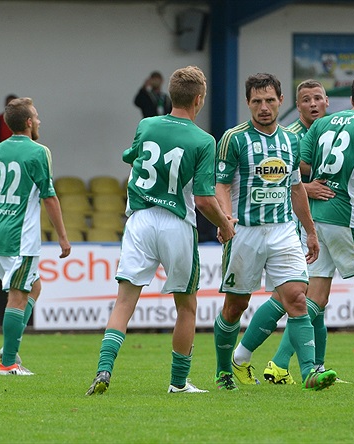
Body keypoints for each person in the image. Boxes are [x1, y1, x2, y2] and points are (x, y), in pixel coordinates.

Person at [85, 66, 236, 395]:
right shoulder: (203, 140)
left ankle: (104, 369)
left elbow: (131, 156)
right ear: (199, 99)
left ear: (170, 95)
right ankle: (178, 384)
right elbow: (204, 199)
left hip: (139, 220)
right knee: (186, 306)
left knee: (124, 302)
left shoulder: (147, 124)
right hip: (175, 223)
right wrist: (226, 224)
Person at [261, 70, 354, 385]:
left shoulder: (325, 123)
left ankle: (279, 363)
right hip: (345, 215)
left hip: (315, 219)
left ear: (350, 98)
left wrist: (311, 184)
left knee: (315, 297)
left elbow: (299, 162)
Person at [212, 73, 337, 392]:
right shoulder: (234, 138)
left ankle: (309, 371)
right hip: (246, 233)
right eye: (257, 101)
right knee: (235, 307)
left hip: (283, 232)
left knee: (297, 297)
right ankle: (225, 370)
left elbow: (296, 187)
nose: (264, 107)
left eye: (269, 100)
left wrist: (309, 231)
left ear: (280, 101)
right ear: (248, 103)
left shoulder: (291, 141)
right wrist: (226, 218)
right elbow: (222, 184)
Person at [0, 97, 71, 376]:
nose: (40, 121)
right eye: (37, 116)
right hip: (22, 237)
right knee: (18, 296)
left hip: (2, 231)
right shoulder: (38, 152)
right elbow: (50, 197)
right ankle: (8, 362)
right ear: (29, 122)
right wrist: (63, 237)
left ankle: (8, 349)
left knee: (33, 288)